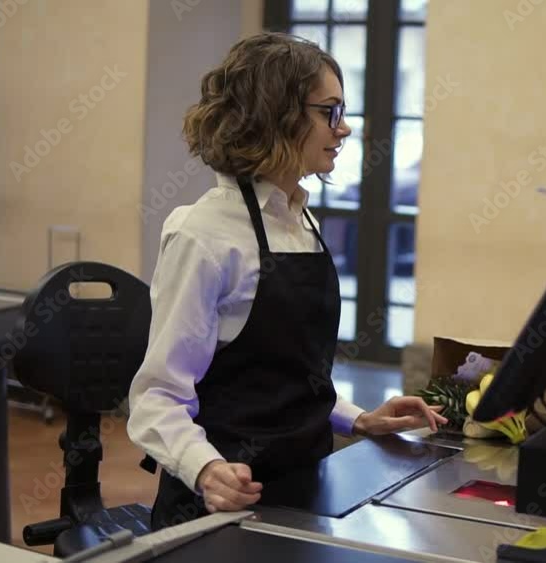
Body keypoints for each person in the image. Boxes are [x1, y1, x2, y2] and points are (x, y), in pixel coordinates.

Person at [126, 32, 447, 531]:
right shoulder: (204, 236)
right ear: (277, 114)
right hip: (221, 509)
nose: (344, 130)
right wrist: (207, 470)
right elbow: (156, 398)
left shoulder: (302, 220)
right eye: (330, 112)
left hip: (308, 487)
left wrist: (359, 419)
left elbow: (289, 374)